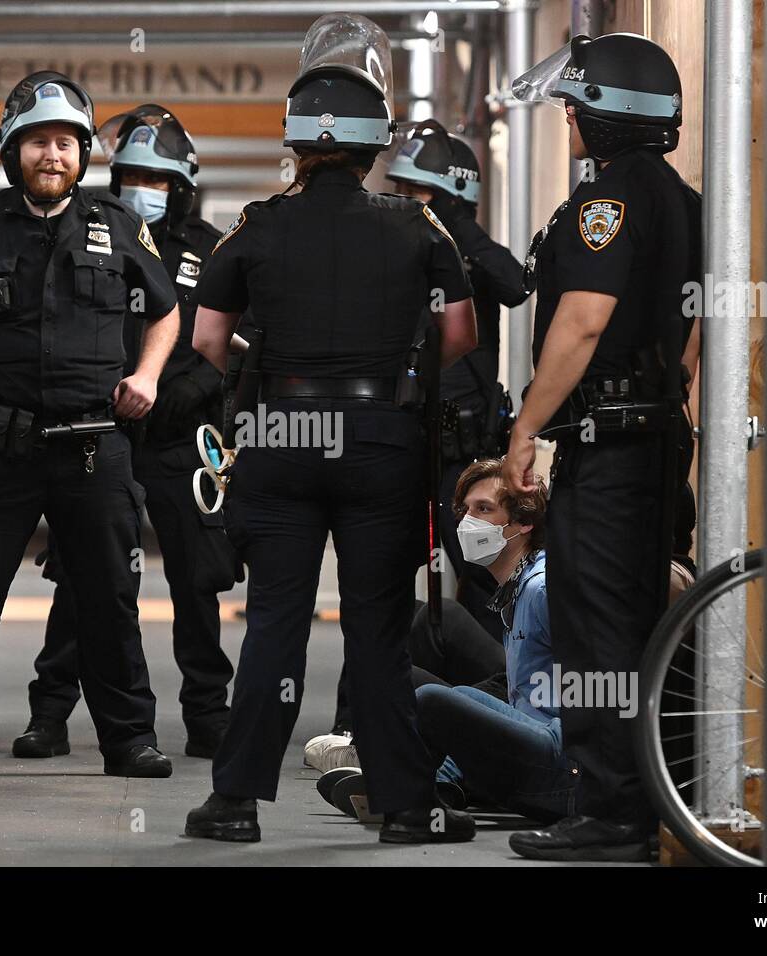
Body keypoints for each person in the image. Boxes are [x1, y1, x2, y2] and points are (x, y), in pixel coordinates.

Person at [183, 13, 479, 845]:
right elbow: (459, 336)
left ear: (298, 143)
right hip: (380, 437)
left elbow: (207, 341)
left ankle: (234, 803)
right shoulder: (418, 227)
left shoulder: (257, 224)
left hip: (280, 435)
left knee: (274, 621)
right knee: (377, 628)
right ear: (373, 143)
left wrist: (270, 365)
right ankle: (404, 805)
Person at [0, 71, 182, 780]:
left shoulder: (119, 225)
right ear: (11, 150)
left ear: (83, 154)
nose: (52, 155)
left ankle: (129, 739)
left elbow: (168, 308)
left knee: (110, 596)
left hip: (93, 444)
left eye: (65, 143)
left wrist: (146, 376)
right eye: (37, 143)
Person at [503, 32, 700, 861]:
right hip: (654, 438)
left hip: (609, 447)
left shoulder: (605, 201)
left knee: (597, 629)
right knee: (638, 623)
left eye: (576, 106)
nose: (569, 119)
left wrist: (525, 428)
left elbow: (581, 322)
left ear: (606, 115)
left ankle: (612, 817)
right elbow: (697, 329)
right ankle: (637, 802)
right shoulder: (688, 202)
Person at [14, 104, 238, 762]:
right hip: (100, 429)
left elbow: (233, 342)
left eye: (161, 179)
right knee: (84, 578)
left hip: (176, 436)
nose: (146, 188)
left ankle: (207, 714)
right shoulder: (89, 232)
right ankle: (50, 712)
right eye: (135, 175)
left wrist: (193, 391)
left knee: (195, 582)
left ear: (184, 185)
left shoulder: (214, 250)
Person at [324, 460, 578, 825]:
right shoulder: (517, 586)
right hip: (533, 737)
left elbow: (599, 672)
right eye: (465, 510)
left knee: (434, 699)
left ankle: (412, 793)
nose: (466, 521)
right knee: (415, 680)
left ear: (524, 523)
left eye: (484, 509)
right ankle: (431, 786)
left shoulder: (542, 589)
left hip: (560, 765)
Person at [385, 119, 530, 633]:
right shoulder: (395, 251)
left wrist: (455, 225)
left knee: (483, 575)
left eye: (420, 193)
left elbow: (517, 283)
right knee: (384, 578)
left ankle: (492, 700)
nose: (407, 203)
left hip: (464, 454)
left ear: (451, 198)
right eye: (400, 192)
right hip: (402, 439)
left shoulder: (474, 256)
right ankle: (358, 710)